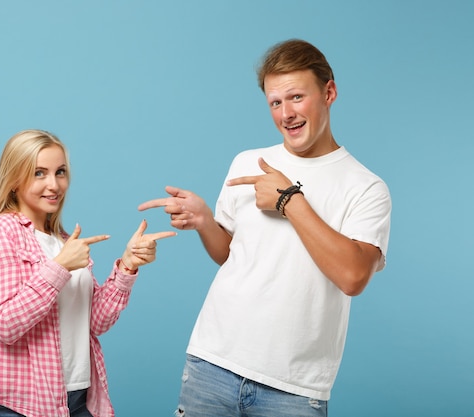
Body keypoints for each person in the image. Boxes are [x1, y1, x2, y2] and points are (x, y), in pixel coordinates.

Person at [139, 39, 391, 417]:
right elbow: (230, 254)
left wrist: (289, 200)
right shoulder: (247, 162)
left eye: (296, 97)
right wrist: (206, 221)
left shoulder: (365, 187)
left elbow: (353, 277)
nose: (286, 113)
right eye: (275, 102)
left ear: (329, 92)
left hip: (293, 389)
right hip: (212, 363)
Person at [0, 129, 175, 417]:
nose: (54, 184)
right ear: (14, 179)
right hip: (20, 403)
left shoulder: (63, 240)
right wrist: (60, 267)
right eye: (39, 173)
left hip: (76, 397)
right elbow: (6, 324)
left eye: (60, 172)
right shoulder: (1, 232)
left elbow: (95, 324)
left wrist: (127, 265)